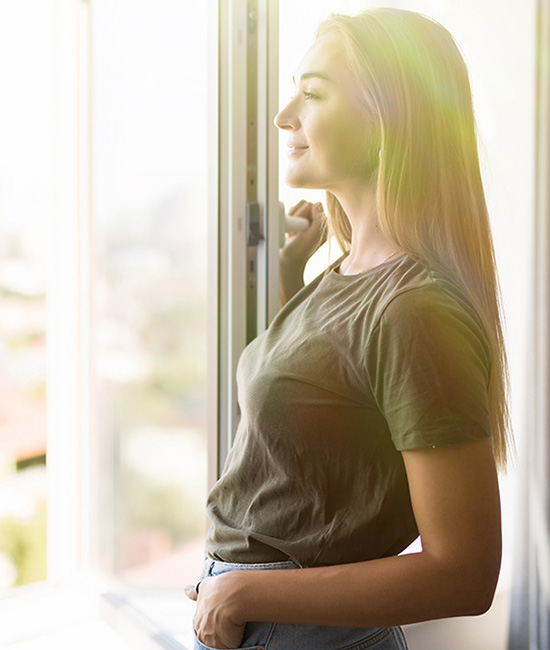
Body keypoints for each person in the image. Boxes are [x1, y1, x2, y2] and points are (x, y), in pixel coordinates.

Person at [185, 8, 512, 650]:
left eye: (311, 94)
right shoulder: (349, 278)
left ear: (388, 119)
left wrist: (246, 591)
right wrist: (289, 273)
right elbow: (320, 414)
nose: (283, 116)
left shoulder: (416, 310)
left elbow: (466, 573)